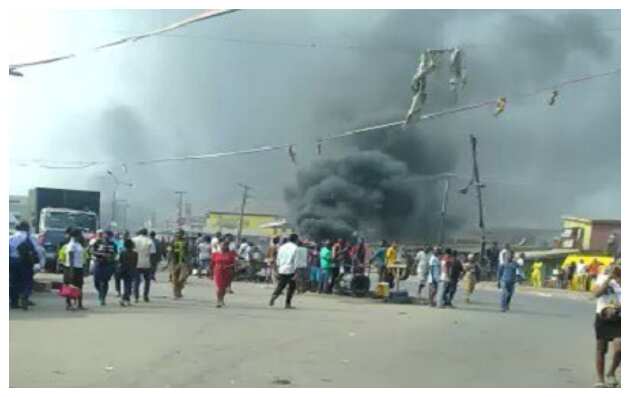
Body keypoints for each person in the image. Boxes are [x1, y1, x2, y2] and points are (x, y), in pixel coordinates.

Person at [591, 265, 621, 387]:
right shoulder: (602, 278)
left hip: (619, 318)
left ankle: (611, 372)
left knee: (620, 347)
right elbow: (597, 294)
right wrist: (609, 279)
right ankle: (600, 379)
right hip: (602, 316)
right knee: (601, 349)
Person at [9, 221, 45, 310]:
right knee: (27, 281)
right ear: (26, 228)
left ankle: (14, 302)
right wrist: (38, 263)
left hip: (12, 261)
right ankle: (24, 296)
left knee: (13, 282)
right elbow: (37, 250)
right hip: (25, 262)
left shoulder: (11, 237)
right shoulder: (29, 237)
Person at [269, 233, 300, 309]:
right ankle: (287, 303)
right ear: (296, 239)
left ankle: (274, 295)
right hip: (291, 269)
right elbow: (296, 261)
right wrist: (297, 271)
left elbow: (278, 258)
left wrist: (279, 266)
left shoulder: (282, 247)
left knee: (281, 285)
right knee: (292, 286)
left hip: (282, 268)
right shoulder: (295, 248)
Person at [62, 228, 86, 311]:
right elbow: (71, 257)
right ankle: (69, 304)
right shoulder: (71, 245)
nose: (81, 236)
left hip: (79, 267)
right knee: (71, 287)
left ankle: (79, 304)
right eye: (80, 235)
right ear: (76, 235)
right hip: (71, 268)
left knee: (79, 286)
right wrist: (71, 271)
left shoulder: (78, 244)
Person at [92, 230, 118, 306]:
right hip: (98, 264)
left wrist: (110, 257)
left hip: (108, 265)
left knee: (104, 282)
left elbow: (115, 254)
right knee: (96, 282)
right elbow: (92, 251)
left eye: (108, 236)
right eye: (104, 235)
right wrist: (100, 255)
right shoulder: (97, 243)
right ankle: (100, 292)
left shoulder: (113, 245)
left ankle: (103, 298)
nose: (106, 237)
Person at [211, 239, 236, 308]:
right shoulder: (215, 254)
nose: (223, 246)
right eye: (221, 245)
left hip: (227, 272)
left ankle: (222, 299)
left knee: (224, 288)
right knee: (219, 287)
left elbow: (234, 264)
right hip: (218, 271)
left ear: (227, 246)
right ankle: (218, 301)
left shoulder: (231, 254)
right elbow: (212, 263)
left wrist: (229, 267)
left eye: (224, 245)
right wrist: (210, 273)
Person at [132, 228, 155, 303]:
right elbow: (152, 252)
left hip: (135, 263)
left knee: (136, 280)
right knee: (147, 281)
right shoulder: (149, 240)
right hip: (146, 263)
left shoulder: (133, 240)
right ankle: (145, 296)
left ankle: (136, 297)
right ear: (146, 233)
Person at [169, 230, 190, 299]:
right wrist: (169, 261)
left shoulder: (186, 242)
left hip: (183, 262)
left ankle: (179, 289)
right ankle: (176, 293)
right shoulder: (172, 242)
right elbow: (169, 251)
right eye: (177, 233)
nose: (179, 235)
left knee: (183, 277)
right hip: (174, 262)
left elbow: (188, 251)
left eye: (180, 234)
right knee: (174, 278)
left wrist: (189, 262)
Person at [118, 238, 138, 307]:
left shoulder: (122, 253)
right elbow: (135, 263)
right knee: (128, 287)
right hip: (131, 271)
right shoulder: (135, 253)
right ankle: (123, 299)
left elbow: (120, 262)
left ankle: (127, 300)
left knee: (126, 286)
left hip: (123, 271)